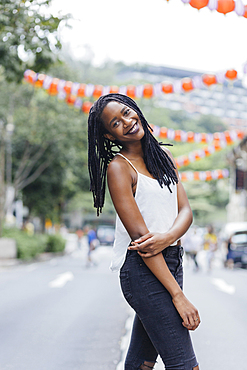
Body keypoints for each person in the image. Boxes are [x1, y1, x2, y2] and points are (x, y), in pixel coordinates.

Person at [88, 93, 200, 370]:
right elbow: (143, 242)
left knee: (142, 363)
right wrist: (178, 296)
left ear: (136, 110)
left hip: (172, 261)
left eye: (127, 113)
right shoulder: (118, 169)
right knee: (184, 365)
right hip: (142, 270)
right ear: (108, 136)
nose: (126, 122)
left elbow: (185, 210)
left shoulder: (164, 155)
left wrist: (167, 237)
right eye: (115, 123)